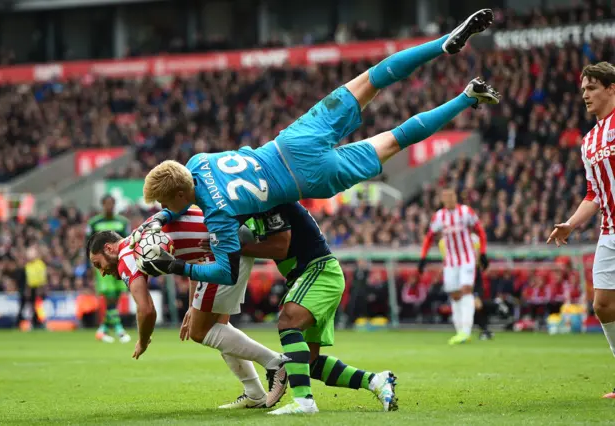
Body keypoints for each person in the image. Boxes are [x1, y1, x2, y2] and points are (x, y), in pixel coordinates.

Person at [131, 9, 501, 287]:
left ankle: (467, 98)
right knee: (369, 81)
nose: (167, 208)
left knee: (393, 140)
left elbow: (225, 273)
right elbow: (195, 188)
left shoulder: (219, 217)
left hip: (311, 180)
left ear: (180, 191)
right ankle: (442, 43)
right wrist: (165, 217)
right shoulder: (198, 160)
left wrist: (175, 266)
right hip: (291, 143)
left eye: (166, 203)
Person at [201, 202, 397, 415]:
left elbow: (280, 247)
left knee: (288, 321)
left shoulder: (272, 202)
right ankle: (375, 381)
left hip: (319, 271)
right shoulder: (258, 204)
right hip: (313, 276)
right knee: (307, 363)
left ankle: (304, 402)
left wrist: (235, 248)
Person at [86, 207, 288, 408]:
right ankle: (254, 394)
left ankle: (275, 363)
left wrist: (143, 341)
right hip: (230, 240)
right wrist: (193, 305)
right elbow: (194, 256)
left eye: (98, 264)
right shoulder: (143, 232)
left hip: (222, 251)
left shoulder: (126, 257)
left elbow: (146, 310)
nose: (102, 272)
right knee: (219, 326)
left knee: (199, 332)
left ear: (109, 248)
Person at [546, 62, 615, 399]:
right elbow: (594, 194)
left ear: (611, 88)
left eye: (592, 88)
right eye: (583, 89)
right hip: (610, 230)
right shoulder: (589, 141)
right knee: (603, 305)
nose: (585, 95)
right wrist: (570, 224)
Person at [417, 188, 489, 344]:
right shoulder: (439, 217)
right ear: (443, 199)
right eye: (446, 197)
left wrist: (483, 253)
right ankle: (459, 331)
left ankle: (466, 331)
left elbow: (480, 231)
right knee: (454, 295)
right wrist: (423, 257)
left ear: (455, 197)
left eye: (451, 196)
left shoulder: (466, 212)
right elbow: (429, 238)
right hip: (450, 261)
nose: (449, 199)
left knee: (466, 290)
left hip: (467, 258)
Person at [85, 195, 131, 343]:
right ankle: (119, 329)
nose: (109, 206)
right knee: (110, 294)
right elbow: (87, 245)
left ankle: (103, 329)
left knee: (117, 294)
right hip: (103, 266)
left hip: (119, 264)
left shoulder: (123, 222)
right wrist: (90, 265)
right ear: (102, 205)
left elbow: (127, 242)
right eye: (106, 204)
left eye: (111, 204)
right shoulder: (94, 223)